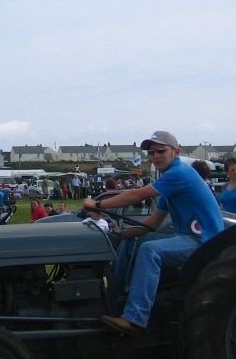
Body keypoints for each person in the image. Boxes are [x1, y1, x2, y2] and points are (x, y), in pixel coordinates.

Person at [84, 131, 223, 334]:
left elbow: (138, 194)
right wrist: (120, 235)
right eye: (151, 153)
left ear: (175, 152)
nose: (155, 156)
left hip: (204, 241)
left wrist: (97, 204)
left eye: (161, 151)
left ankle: (135, 318)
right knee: (136, 241)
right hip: (186, 238)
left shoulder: (180, 173)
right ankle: (113, 298)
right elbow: (152, 223)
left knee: (151, 250)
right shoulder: (171, 181)